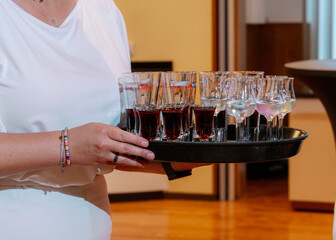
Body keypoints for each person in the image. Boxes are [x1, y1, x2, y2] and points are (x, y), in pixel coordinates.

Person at [0, 0, 207, 239]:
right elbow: (83, 146)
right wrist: (69, 146)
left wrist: (192, 155)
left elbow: (108, 145)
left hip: (93, 220)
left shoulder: (104, 11)